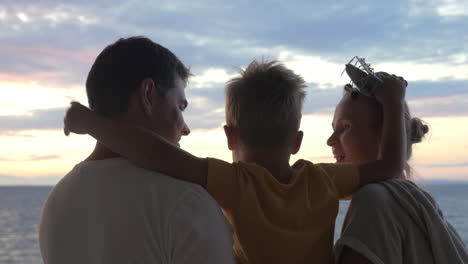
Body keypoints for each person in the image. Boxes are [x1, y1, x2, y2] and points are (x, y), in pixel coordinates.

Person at [63, 60, 408, 264]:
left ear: (230, 136)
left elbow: (156, 154)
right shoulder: (325, 180)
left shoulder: (234, 182)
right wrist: (393, 102)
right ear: (297, 142)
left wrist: (94, 124)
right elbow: (390, 165)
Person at [39, 37, 234, 264]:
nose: (186, 129)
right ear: (148, 95)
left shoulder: (57, 201)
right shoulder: (186, 203)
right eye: (180, 107)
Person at [329, 84, 468, 263]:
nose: (330, 140)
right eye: (334, 128)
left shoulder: (373, 201)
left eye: (345, 127)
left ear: (386, 137)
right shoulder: (421, 206)